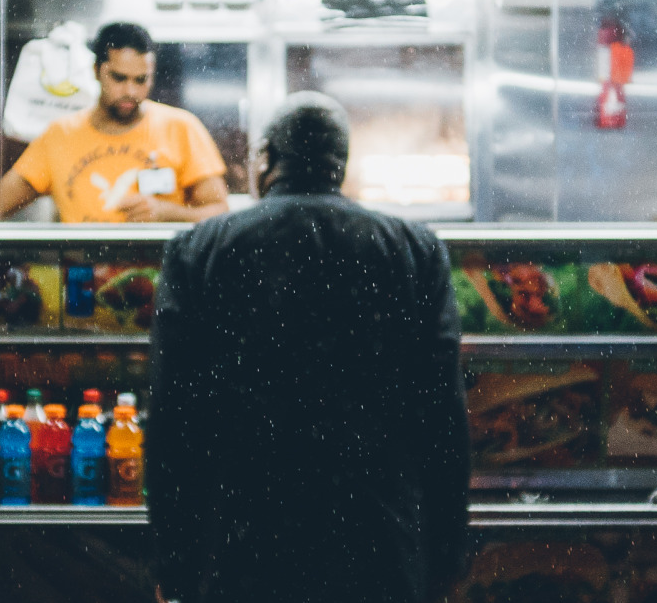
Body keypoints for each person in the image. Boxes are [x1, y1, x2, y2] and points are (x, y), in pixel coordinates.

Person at [147, 91, 469, 603]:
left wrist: (172, 559)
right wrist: (447, 556)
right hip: (374, 534)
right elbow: (442, 416)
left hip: (242, 536)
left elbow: (172, 418)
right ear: (338, 165)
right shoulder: (414, 249)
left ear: (268, 159)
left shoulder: (198, 249)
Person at [0, 21, 229, 223]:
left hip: (160, 290)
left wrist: (168, 213)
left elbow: (219, 210)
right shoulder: (60, 135)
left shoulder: (181, 128)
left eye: (141, 80)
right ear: (98, 70)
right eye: (120, 78)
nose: (131, 90)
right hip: (83, 289)